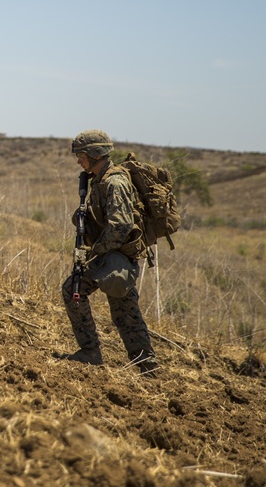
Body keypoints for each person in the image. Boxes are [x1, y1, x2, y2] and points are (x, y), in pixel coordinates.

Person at [57, 129, 158, 375]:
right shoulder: (100, 179)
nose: (78, 161)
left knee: (74, 290)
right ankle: (146, 365)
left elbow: (121, 226)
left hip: (115, 256)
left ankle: (92, 352)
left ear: (94, 154)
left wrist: (96, 252)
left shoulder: (114, 181)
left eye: (81, 155)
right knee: (125, 310)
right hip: (113, 255)